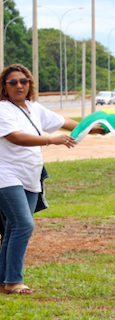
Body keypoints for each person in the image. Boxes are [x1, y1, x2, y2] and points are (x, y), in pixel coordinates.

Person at [0, 64, 97, 295]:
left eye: (23, 81)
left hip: (31, 176)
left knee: (14, 227)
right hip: (7, 175)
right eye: (12, 82)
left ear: (29, 84)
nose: (19, 86)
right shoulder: (3, 109)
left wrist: (92, 128)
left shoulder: (34, 108)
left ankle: (4, 281)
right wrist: (50, 140)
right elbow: (15, 137)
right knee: (24, 224)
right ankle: (14, 281)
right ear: (4, 87)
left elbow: (64, 122)